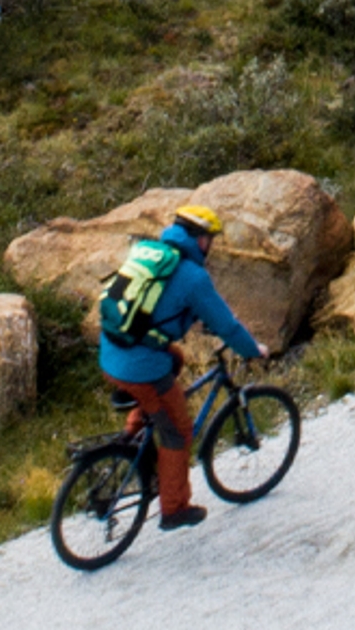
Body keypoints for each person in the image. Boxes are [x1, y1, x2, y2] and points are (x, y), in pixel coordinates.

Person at [93, 202, 269, 533]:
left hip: (112, 352)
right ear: (200, 240)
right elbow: (228, 327)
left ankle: (135, 433)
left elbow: (156, 305)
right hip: (139, 367)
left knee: (175, 358)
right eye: (210, 239)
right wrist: (252, 350)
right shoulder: (193, 277)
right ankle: (174, 509)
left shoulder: (150, 251)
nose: (211, 245)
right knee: (178, 431)